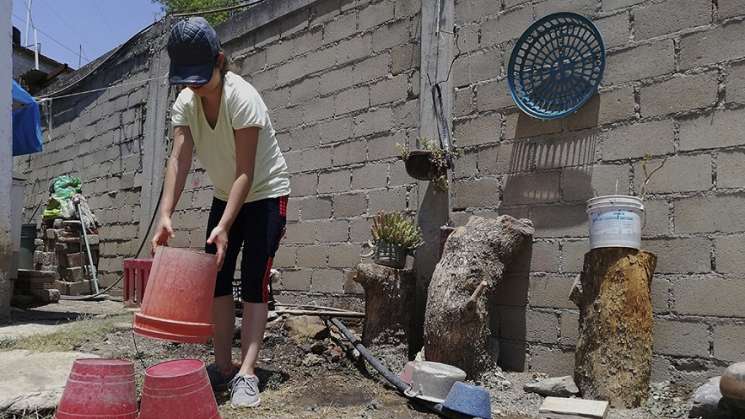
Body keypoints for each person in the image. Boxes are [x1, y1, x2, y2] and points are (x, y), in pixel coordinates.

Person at [150, 16, 290, 408]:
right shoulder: (186, 102)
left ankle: (247, 374)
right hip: (225, 192)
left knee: (254, 282)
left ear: (220, 60)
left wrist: (226, 224)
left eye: (201, 76)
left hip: (264, 192)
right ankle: (223, 366)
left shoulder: (242, 98)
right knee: (216, 277)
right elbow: (178, 158)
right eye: (187, 79)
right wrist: (166, 214)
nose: (195, 86)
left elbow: (246, 169)